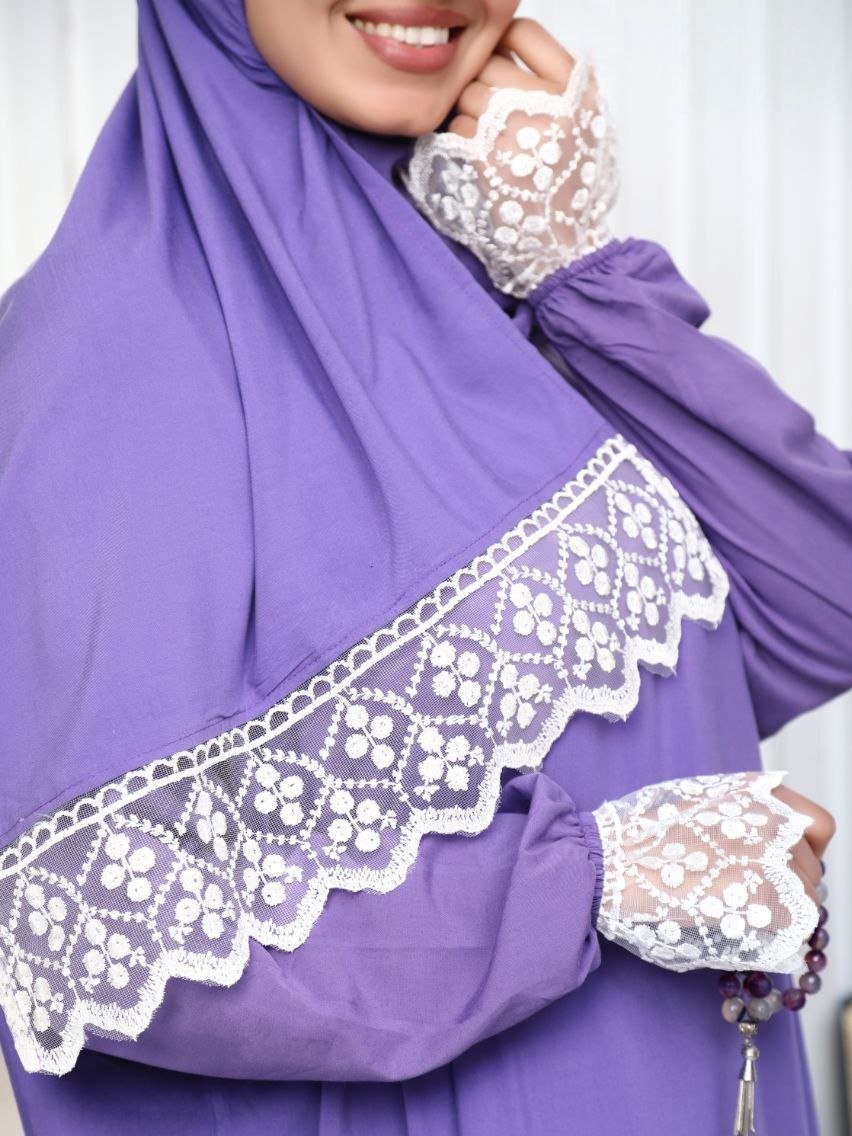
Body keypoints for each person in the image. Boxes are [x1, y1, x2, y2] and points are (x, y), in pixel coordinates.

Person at [0, 2, 847, 1133]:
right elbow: (101, 944)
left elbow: (820, 605)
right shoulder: (95, 364)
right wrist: (592, 881)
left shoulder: (503, 294)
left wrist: (576, 269)